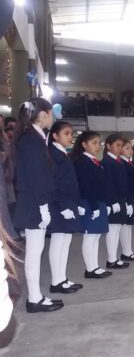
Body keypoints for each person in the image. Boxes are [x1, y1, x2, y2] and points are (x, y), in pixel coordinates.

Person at [13, 98, 64, 313]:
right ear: (42, 114)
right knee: (34, 252)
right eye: (50, 113)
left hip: (35, 201)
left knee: (36, 250)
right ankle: (34, 298)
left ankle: (36, 296)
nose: (52, 118)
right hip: (34, 202)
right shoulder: (31, 140)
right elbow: (35, 177)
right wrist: (43, 205)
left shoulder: (34, 138)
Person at [47, 121, 84, 294]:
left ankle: (62, 278)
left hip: (69, 203)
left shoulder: (62, 153)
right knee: (58, 241)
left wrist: (75, 204)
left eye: (71, 133)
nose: (70, 136)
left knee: (65, 242)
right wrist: (62, 206)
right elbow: (53, 182)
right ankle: (56, 281)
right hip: (60, 204)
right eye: (66, 133)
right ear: (55, 135)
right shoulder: (53, 153)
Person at [72, 131, 112, 280]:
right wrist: (94, 206)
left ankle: (95, 266)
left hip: (98, 202)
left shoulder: (95, 161)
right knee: (89, 237)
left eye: (99, 143)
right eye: (94, 143)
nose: (98, 146)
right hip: (89, 203)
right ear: (84, 144)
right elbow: (86, 186)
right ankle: (90, 269)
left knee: (96, 237)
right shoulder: (82, 161)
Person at [102, 134, 131, 270]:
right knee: (112, 231)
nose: (120, 149)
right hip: (114, 201)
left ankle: (114, 258)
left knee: (117, 229)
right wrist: (112, 201)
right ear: (108, 146)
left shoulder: (117, 161)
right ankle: (111, 259)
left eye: (121, 146)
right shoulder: (107, 162)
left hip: (120, 200)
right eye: (117, 145)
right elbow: (108, 184)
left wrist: (124, 200)